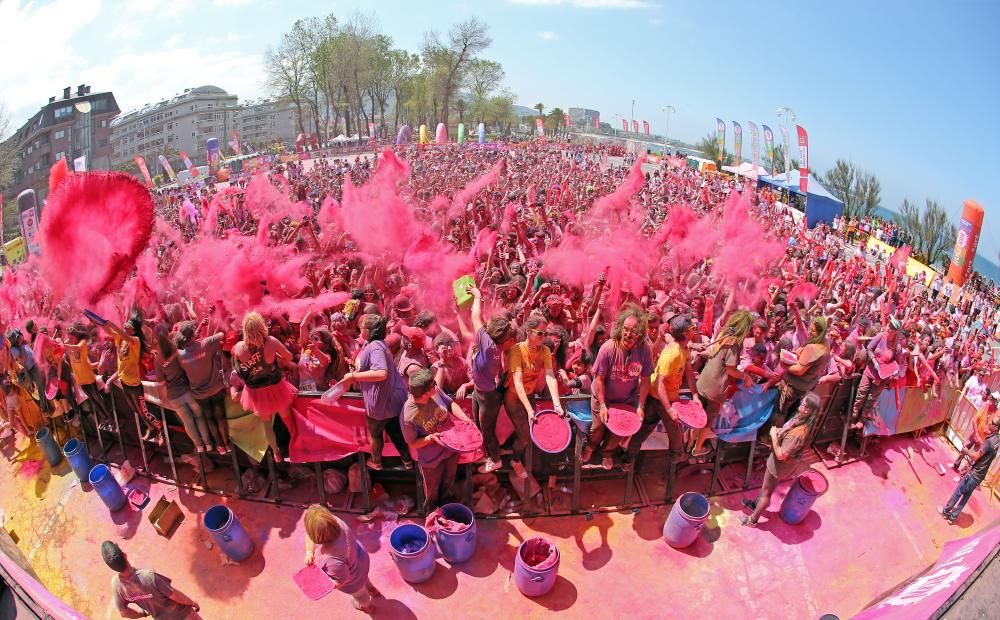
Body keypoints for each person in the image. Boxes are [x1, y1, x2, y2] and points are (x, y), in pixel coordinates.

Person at [340, 313, 414, 471]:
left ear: (371, 331)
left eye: (363, 327)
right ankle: (407, 462)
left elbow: (381, 373)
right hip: (389, 400)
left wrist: (353, 376)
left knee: (375, 433)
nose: (360, 327)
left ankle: (376, 462)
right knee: (395, 431)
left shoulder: (375, 348)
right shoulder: (375, 344)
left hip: (379, 401)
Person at [583, 304, 652, 470]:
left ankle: (607, 453)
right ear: (621, 328)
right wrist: (603, 405)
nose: (628, 334)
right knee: (598, 427)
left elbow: (646, 379)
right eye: (626, 329)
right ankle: (591, 446)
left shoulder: (645, 350)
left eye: (634, 331)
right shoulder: (608, 348)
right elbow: (599, 379)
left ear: (640, 332)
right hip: (603, 398)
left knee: (621, 429)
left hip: (627, 400)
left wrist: (640, 405)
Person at [740, 392, 822, 527]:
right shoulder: (805, 422)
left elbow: (781, 455)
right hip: (784, 463)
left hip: (780, 465)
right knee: (765, 487)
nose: (801, 408)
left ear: (812, 412)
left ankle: (752, 520)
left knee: (767, 492)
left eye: (806, 407)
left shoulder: (799, 433)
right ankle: (756, 504)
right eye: (802, 404)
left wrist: (773, 436)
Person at [624, 314, 693, 470]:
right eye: (693, 328)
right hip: (662, 397)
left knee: (644, 429)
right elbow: (660, 383)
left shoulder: (680, 347)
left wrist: (694, 394)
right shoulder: (673, 353)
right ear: (687, 332)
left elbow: (670, 339)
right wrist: (669, 408)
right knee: (675, 427)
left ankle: (627, 459)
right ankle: (677, 455)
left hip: (656, 395)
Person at [401, 369, 473, 512]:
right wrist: (430, 438)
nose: (436, 385)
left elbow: (451, 404)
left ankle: (447, 511)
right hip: (432, 460)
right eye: (433, 385)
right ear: (426, 393)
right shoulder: (408, 416)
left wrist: (466, 419)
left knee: (448, 485)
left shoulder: (436, 391)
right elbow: (413, 443)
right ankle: (432, 517)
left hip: (451, 449)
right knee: (432, 494)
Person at [231, 311, 298, 462]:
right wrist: (276, 356)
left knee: (266, 423)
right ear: (262, 326)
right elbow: (290, 357)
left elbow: (238, 370)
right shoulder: (271, 342)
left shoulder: (239, 347)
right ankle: (297, 445)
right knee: (287, 418)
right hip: (275, 388)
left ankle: (276, 453)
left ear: (245, 330)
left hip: (255, 392)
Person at [467, 286, 517, 474]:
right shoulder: (494, 345)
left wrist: (478, 297)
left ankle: (495, 460)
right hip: (481, 392)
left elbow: (475, 317)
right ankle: (489, 453)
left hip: (487, 397)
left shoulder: (487, 345)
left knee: (487, 431)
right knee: (480, 425)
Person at [505, 314, 564, 473]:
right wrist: (529, 409)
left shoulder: (545, 350)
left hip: (529, 395)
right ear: (528, 332)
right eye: (540, 333)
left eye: (545, 334)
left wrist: (556, 404)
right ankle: (515, 461)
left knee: (530, 432)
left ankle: (518, 458)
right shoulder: (517, 350)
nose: (543, 337)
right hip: (513, 397)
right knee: (524, 435)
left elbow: (550, 376)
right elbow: (517, 382)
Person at [94, 314, 164, 445]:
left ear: (134, 330)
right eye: (126, 324)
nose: (125, 325)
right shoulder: (120, 339)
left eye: (129, 325)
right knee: (135, 410)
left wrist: (109, 322)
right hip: (124, 382)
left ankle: (161, 430)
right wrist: (98, 322)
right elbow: (109, 331)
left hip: (135, 385)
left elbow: (119, 331)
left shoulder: (135, 340)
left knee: (144, 412)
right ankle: (150, 428)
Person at [693, 310, 752, 457]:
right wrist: (745, 377)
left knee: (697, 417)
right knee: (708, 421)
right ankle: (697, 448)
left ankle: (689, 444)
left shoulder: (723, 336)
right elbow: (731, 370)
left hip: (703, 382)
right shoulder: (733, 344)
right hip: (715, 389)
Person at [302, 504, 382, 613]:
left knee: (360, 594)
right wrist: (309, 552)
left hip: (353, 578)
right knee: (364, 577)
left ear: (317, 537)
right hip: (360, 557)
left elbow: (342, 580)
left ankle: (367, 607)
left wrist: (328, 584)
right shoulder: (336, 521)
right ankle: (372, 589)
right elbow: (310, 535)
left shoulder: (330, 559)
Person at [101, 541, 200, 619]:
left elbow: (124, 613)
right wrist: (192, 602)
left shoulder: (117, 586)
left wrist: (143, 614)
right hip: (183, 615)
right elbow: (174, 595)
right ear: (124, 554)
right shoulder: (148, 576)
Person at [152, 326, 211, 454]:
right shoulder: (176, 348)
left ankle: (199, 446)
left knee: (188, 422)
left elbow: (160, 382)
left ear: (156, 339)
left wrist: (165, 390)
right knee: (199, 416)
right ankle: (208, 444)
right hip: (188, 390)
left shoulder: (158, 359)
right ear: (168, 334)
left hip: (174, 396)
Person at [175, 322, 232, 455]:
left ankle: (219, 446)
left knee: (210, 418)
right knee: (220, 417)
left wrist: (198, 328)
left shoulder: (180, 353)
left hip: (199, 394)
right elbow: (221, 334)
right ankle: (227, 444)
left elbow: (191, 345)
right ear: (193, 334)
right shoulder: (206, 343)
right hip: (216, 389)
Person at [942, 415, 999, 523]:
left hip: (974, 473)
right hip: (981, 475)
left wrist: (966, 451)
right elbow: (988, 451)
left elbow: (976, 456)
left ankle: (946, 511)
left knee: (959, 492)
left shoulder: (989, 442)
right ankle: (953, 517)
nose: (989, 424)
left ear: (996, 428)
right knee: (966, 496)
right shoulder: (997, 439)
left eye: (992, 423)